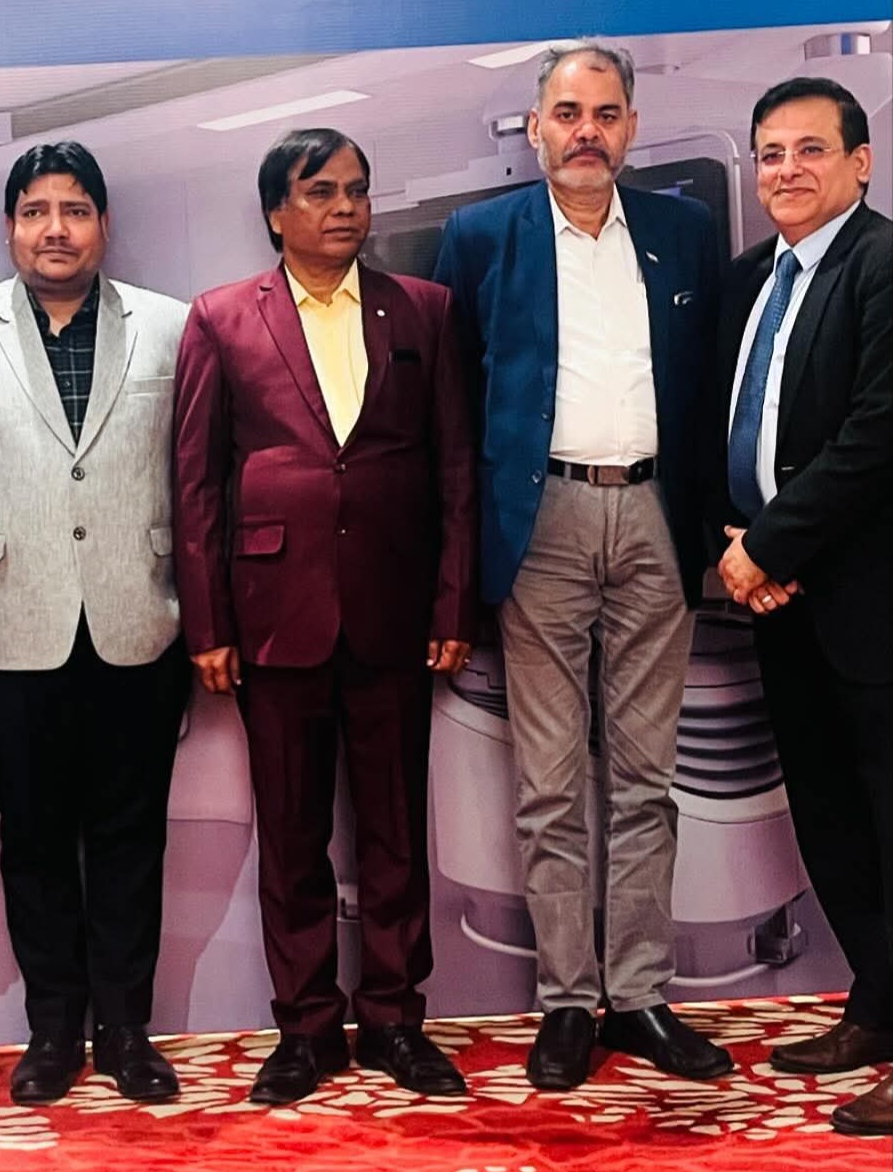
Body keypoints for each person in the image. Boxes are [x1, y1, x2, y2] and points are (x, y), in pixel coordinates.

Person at [433, 42, 731, 1089]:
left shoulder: (685, 234)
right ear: (535, 126)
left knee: (647, 780)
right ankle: (568, 1001)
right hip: (540, 522)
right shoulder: (480, 238)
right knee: (551, 784)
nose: (587, 132)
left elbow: (711, 389)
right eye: (568, 113)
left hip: (655, 514)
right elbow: (452, 406)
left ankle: (639, 996)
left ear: (632, 127)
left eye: (606, 114)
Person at [173, 127, 477, 1105]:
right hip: (273, 614)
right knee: (293, 833)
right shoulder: (223, 317)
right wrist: (209, 625)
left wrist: (452, 599)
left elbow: (455, 468)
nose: (344, 208)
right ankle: (305, 1027)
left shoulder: (422, 309)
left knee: (395, 829)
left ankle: (395, 1019)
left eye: (356, 190)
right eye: (320, 192)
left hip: (396, 607)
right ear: (276, 212)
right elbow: (197, 483)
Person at [0, 141, 190, 1105]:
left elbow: (198, 477)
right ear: (10, 226)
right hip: (8, 623)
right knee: (34, 843)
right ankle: (52, 1033)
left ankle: (126, 1032)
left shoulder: (170, 326)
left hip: (139, 618)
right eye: (36, 210)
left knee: (132, 840)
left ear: (104, 225)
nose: (56, 229)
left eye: (75, 210)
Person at [708, 77, 892, 1135]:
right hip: (778, 603)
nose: (786, 170)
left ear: (860, 162)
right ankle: (879, 1006)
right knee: (830, 819)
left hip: (870, 601)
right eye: (770, 152)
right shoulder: (749, 280)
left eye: (811, 149)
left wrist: (770, 546)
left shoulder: (883, 264)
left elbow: (878, 430)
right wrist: (738, 549)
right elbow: (721, 427)